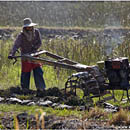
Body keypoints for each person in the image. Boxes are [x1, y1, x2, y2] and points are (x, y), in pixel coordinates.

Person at [8, 18, 46, 96]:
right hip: (25, 56)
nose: (29, 28)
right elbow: (16, 45)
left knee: (38, 71)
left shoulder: (36, 32)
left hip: (35, 55)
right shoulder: (21, 35)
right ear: (25, 27)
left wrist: (34, 48)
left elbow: (39, 42)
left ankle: (41, 89)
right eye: (27, 27)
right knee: (25, 73)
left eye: (30, 26)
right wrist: (12, 54)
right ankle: (25, 89)